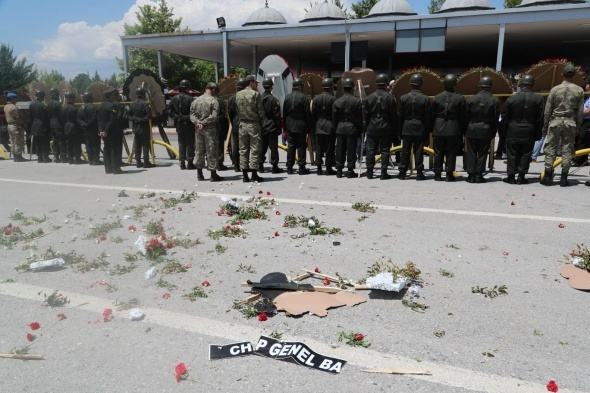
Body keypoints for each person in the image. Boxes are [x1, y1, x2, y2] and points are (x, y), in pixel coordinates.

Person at [541, 64, 585, 187]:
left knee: (551, 148)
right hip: (570, 122)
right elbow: (580, 111)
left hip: (555, 121)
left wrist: (545, 124)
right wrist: (578, 126)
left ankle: (548, 176)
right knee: (567, 150)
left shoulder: (555, 89)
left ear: (562, 74)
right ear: (574, 75)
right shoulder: (579, 90)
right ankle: (564, 178)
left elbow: (548, 109)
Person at [499, 75, 544, 185]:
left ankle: (511, 176)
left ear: (521, 84)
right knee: (526, 153)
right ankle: (521, 176)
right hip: (529, 128)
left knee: (512, 153)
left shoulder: (512, 98)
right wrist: (538, 133)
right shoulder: (538, 99)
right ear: (532, 84)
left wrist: (502, 133)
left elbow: (504, 117)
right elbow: (540, 119)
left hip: (514, 128)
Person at [430, 74, 466, 182]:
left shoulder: (437, 97)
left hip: (438, 126)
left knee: (438, 152)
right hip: (453, 127)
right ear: (455, 84)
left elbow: (432, 114)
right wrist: (462, 130)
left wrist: (432, 128)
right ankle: (449, 174)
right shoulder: (460, 98)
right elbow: (463, 116)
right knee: (451, 152)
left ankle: (437, 174)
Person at [465, 76, 499, 183]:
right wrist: (493, 131)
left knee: (471, 152)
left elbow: (466, 116)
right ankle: (479, 175)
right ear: (490, 86)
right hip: (486, 128)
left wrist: (466, 129)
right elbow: (495, 118)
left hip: (472, 127)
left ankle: (471, 175)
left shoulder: (471, 99)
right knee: (483, 153)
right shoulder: (494, 100)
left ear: (479, 86)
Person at [398, 74, 430, 180]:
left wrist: (400, 129)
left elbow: (400, 116)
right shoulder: (425, 98)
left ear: (410, 84)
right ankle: (419, 173)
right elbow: (427, 116)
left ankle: (402, 172)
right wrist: (427, 129)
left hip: (406, 126)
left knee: (405, 150)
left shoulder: (403, 98)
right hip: (419, 126)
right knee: (419, 151)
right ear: (421, 84)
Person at [365, 73, 397, 180]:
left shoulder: (369, 97)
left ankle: (370, 172)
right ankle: (383, 173)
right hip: (385, 125)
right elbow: (393, 114)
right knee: (385, 150)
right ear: (386, 84)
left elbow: (366, 114)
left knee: (370, 150)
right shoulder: (390, 97)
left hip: (372, 125)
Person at [190, 82, 223, 182]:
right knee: (211, 150)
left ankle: (199, 174)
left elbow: (191, 114)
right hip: (210, 129)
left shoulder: (196, 100)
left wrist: (198, 122)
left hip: (198, 129)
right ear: (213, 89)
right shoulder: (214, 101)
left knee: (199, 151)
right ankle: (213, 175)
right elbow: (214, 116)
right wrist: (204, 122)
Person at [236, 75, 265, 182]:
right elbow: (261, 112)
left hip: (242, 124)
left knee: (243, 150)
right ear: (251, 82)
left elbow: (237, 110)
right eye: (256, 83)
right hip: (253, 125)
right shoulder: (255, 94)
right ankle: (254, 174)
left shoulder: (238, 94)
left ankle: (244, 175)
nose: (257, 85)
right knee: (254, 149)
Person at [332, 77, 362, 178]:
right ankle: (350, 170)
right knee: (351, 150)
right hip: (352, 128)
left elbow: (334, 118)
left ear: (344, 88)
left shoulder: (337, 101)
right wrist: (360, 130)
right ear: (352, 88)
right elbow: (359, 118)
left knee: (340, 150)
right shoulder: (357, 101)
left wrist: (336, 128)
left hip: (340, 127)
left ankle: (339, 170)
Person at [284, 77, 312, 175]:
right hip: (301, 125)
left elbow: (284, 113)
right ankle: (301, 167)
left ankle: (289, 168)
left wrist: (285, 127)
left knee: (291, 147)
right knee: (301, 147)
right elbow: (307, 114)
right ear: (300, 87)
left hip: (290, 125)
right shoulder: (304, 98)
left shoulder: (287, 97)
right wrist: (309, 127)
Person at [311, 78, 336, 175]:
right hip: (329, 125)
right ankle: (328, 168)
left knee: (318, 148)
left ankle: (319, 168)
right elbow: (334, 115)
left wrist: (313, 126)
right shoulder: (333, 99)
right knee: (329, 149)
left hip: (318, 125)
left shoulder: (316, 99)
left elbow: (313, 113)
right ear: (330, 87)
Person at [168, 79, 195, 170]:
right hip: (189, 124)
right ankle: (190, 163)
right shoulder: (190, 99)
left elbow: (169, 110)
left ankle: (182, 162)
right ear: (187, 88)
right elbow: (194, 112)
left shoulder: (173, 99)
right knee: (190, 144)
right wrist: (186, 117)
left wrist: (176, 117)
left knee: (181, 144)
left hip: (179, 124)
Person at [97, 87, 125, 174]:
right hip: (111, 131)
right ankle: (116, 168)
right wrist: (106, 131)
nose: (115, 97)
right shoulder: (112, 106)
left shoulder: (101, 105)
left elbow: (99, 119)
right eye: (114, 95)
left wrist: (101, 130)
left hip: (103, 130)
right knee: (114, 149)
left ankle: (108, 168)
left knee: (106, 149)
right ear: (110, 96)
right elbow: (112, 120)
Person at [260, 78, 283, 174]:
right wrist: (279, 128)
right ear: (271, 87)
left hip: (261, 126)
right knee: (273, 148)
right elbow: (277, 116)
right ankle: (274, 167)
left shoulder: (259, 99)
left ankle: (260, 165)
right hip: (271, 126)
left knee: (262, 147)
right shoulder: (273, 100)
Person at [129, 87, 154, 168]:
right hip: (144, 127)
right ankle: (146, 162)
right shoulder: (145, 104)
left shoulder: (132, 104)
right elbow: (149, 116)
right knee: (145, 145)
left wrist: (135, 119)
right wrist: (141, 119)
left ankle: (138, 162)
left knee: (137, 145)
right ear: (143, 94)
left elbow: (128, 115)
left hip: (136, 128)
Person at [228, 78, 247, 172]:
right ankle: (245, 165)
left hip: (235, 123)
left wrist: (233, 122)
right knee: (246, 145)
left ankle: (236, 165)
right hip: (245, 123)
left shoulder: (231, 98)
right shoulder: (246, 97)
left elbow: (230, 113)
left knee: (236, 145)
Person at [78, 92, 101, 165]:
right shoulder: (93, 107)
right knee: (95, 144)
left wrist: (84, 125)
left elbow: (79, 119)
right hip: (93, 128)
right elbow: (94, 118)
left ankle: (90, 159)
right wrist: (88, 124)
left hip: (85, 129)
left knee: (88, 144)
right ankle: (96, 159)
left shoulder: (80, 108)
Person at [29, 90, 51, 163]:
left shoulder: (31, 104)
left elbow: (30, 117)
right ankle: (45, 157)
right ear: (42, 96)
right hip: (42, 125)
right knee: (44, 142)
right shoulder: (42, 105)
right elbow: (45, 117)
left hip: (34, 125)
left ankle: (40, 158)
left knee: (37, 142)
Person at [211, 83, 230, 171]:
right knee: (219, 144)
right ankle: (219, 163)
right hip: (218, 125)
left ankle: (211, 164)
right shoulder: (220, 101)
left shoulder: (206, 100)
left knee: (210, 144)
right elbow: (223, 115)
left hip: (208, 126)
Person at [4, 93, 27, 162]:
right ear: (12, 99)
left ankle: (15, 156)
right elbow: (18, 118)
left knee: (12, 141)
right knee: (18, 141)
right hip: (15, 126)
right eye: (15, 98)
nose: (16, 100)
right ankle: (18, 156)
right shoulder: (14, 107)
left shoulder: (6, 106)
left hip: (9, 125)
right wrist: (24, 124)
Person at [61, 92, 83, 164]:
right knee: (76, 144)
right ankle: (77, 158)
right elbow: (77, 120)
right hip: (74, 127)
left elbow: (62, 119)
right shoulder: (75, 109)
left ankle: (70, 159)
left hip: (66, 126)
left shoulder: (63, 108)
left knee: (69, 144)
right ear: (72, 99)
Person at [572, 83, 590, 166]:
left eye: (588, 89)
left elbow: (588, 111)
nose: (586, 91)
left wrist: (577, 113)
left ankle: (579, 160)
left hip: (588, 121)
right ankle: (580, 158)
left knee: (582, 140)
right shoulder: (587, 97)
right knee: (578, 138)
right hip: (582, 120)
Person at [47, 88, 66, 163]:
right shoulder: (58, 104)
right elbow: (61, 115)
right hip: (59, 124)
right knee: (61, 141)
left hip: (52, 124)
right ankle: (63, 157)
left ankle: (56, 157)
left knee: (55, 142)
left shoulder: (48, 104)